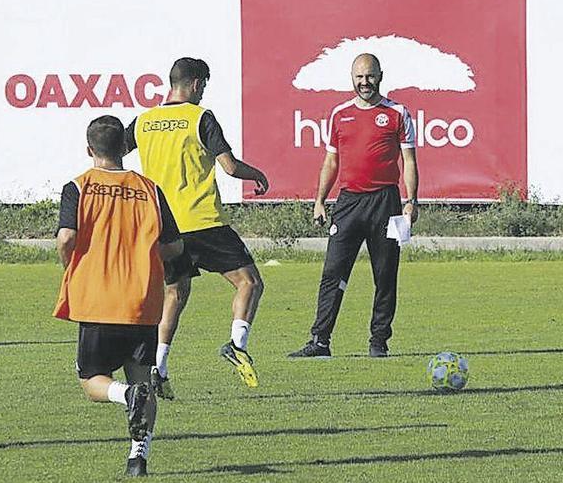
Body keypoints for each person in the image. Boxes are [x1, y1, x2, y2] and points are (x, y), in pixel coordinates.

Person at [125, 57, 268, 392]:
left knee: (175, 292)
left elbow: (111, 151)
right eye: (203, 85)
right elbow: (230, 167)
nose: (203, 92)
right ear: (195, 84)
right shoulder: (199, 117)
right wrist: (257, 175)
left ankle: (158, 369)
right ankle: (237, 345)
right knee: (250, 283)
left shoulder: (145, 120)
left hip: (163, 225)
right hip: (202, 221)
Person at [54, 115, 183, 477]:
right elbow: (174, 246)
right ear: (125, 148)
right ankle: (138, 457)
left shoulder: (78, 188)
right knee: (142, 377)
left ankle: (124, 396)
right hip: (142, 301)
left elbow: (66, 237)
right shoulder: (150, 189)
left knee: (93, 379)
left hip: (97, 299)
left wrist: (72, 265)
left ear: (89, 148)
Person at [288, 53, 418, 359]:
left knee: (385, 274)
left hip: (386, 202)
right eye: (359, 77)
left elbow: (409, 160)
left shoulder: (398, 113)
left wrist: (411, 201)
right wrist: (320, 200)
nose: (365, 82)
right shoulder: (339, 114)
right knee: (333, 271)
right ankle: (320, 342)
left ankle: (379, 342)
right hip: (348, 203)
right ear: (352, 78)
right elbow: (331, 161)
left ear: (380, 76)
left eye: (370, 76)